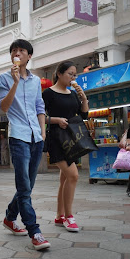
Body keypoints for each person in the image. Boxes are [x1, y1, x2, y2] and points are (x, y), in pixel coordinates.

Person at [0, 39, 50, 250]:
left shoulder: (36, 80)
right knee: (25, 188)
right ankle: (34, 231)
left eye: (21, 50)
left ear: (29, 56)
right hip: (18, 136)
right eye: (14, 51)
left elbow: (39, 106)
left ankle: (10, 217)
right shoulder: (3, 78)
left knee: (28, 185)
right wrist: (15, 82)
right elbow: (4, 106)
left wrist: (43, 132)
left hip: (36, 137)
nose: (17, 53)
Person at [42, 61, 89, 232]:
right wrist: (55, 120)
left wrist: (83, 98)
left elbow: (83, 114)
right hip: (56, 138)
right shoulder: (48, 93)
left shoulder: (73, 94)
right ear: (59, 74)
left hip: (71, 139)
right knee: (73, 176)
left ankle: (59, 216)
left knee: (64, 178)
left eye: (75, 75)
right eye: (70, 73)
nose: (73, 77)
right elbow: (38, 116)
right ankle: (69, 216)